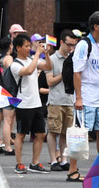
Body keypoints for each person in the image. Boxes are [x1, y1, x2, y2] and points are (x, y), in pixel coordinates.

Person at [72, 10, 99, 167]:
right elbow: (77, 72)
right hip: (87, 97)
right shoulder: (84, 45)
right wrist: (78, 97)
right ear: (96, 26)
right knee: (80, 134)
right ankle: (72, 169)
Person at [9, 32, 50, 173]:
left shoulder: (32, 59)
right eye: (26, 46)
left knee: (40, 134)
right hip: (24, 104)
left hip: (36, 103)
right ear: (18, 48)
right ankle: (19, 163)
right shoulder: (15, 64)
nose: (29, 48)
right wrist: (38, 54)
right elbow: (28, 71)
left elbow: (48, 67)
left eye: (29, 46)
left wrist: (47, 54)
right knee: (21, 134)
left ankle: (35, 163)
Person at [46, 30, 78, 171]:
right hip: (56, 100)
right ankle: (54, 160)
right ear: (61, 42)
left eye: (73, 45)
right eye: (69, 44)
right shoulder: (52, 59)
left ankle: (63, 159)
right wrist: (64, 74)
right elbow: (50, 82)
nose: (71, 48)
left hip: (70, 100)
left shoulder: (74, 59)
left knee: (66, 132)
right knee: (53, 131)